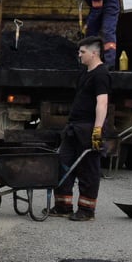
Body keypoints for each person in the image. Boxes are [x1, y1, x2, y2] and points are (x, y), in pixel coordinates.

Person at [51, 36, 110, 221]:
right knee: (63, 163)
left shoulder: (101, 74)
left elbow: (102, 103)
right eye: (79, 52)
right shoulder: (85, 73)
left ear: (94, 53)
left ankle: (86, 210)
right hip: (73, 128)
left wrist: (97, 130)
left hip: (88, 129)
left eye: (82, 52)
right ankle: (63, 206)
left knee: (88, 170)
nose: (79, 55)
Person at [74, 0, 120, 64]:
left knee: (107, 31)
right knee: (91, 33)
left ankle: (109, 63)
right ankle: (90, 60)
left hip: (109, 6)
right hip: (96, 6)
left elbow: (96, 11)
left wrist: (86, 25)